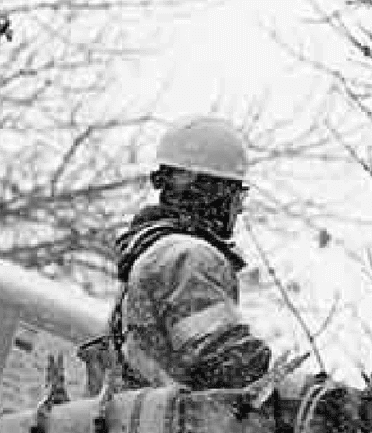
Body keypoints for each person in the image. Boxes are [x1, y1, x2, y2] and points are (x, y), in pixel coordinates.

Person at [110, 116, 276, 391]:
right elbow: (228, 363)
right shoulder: (189, 257)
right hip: (176, 430)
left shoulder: (152, 254)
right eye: (239, 196)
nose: (240, 210)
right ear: (214, 193)